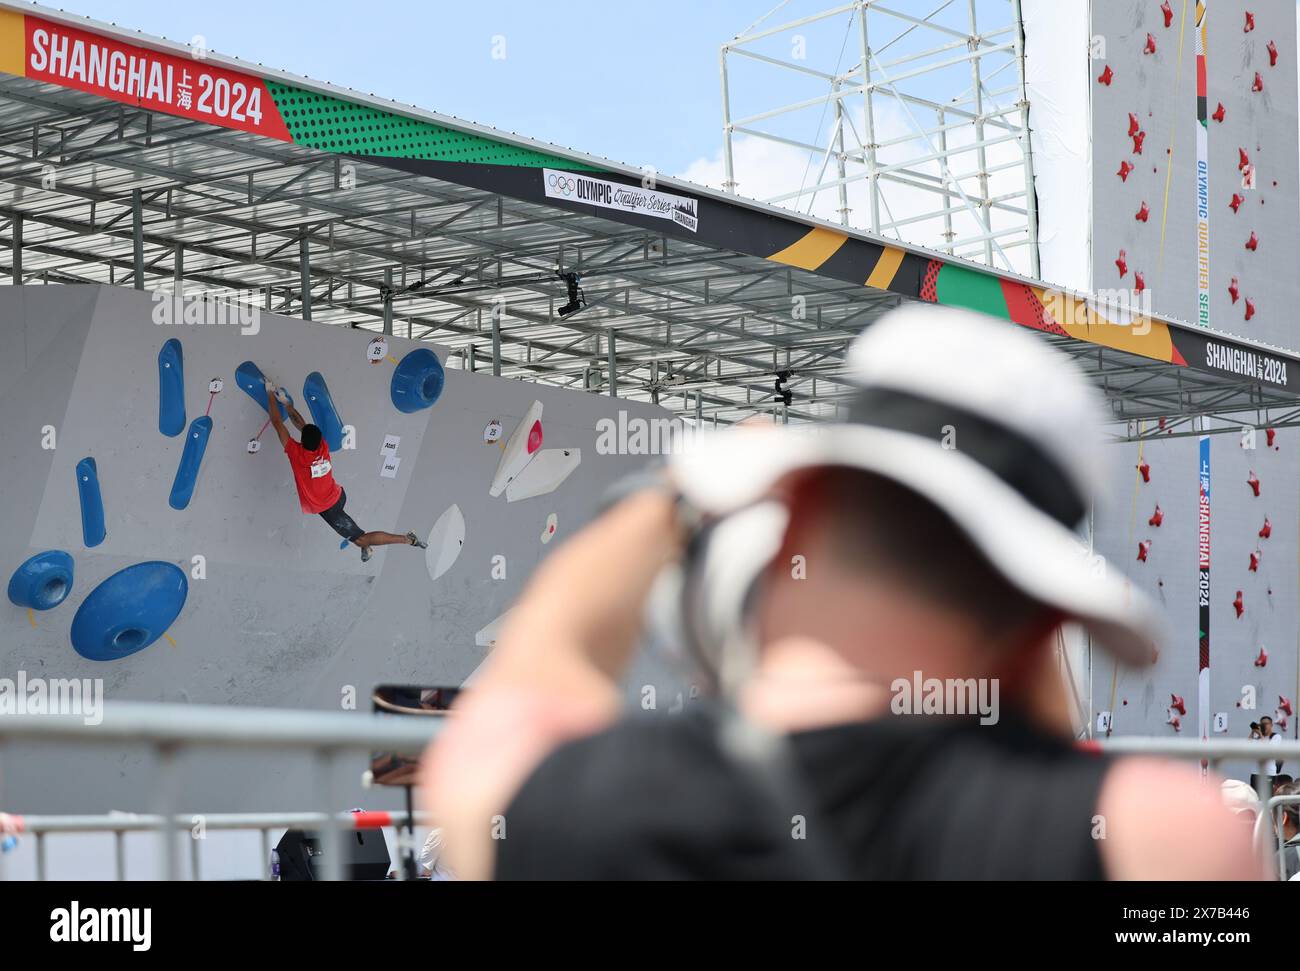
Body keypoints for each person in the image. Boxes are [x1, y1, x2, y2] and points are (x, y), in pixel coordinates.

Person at [419, 304, 1263, 881]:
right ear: (1041, 609)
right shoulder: (1154, 835)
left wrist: (672, 498)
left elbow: (530, 678)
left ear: (794, 513)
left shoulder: (575, 807)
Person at [262, 379, 425, 562]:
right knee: (357, 538)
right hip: (338, 494)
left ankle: (407, 539)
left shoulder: (296, 453)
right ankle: (365, 546)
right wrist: (287, 404)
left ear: (303, 441)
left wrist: (268, 393)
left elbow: (278, 422)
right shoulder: (322, 445)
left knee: (360, 539)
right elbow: (302, 425)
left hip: (330, 508)